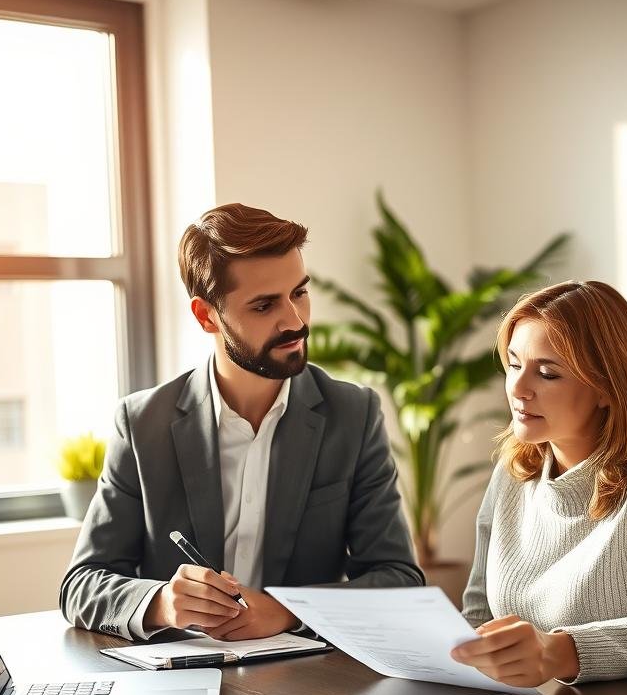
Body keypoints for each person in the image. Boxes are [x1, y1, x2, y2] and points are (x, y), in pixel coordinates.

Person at [60, 203, 422, 641]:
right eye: (265, 305)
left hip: (305, 682)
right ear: (206, 315)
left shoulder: (353, 414)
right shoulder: (142, 424)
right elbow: (81, 584)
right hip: (180, 681)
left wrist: (288, 611)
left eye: (300, 293)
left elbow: (399, 580)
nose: (295, 320)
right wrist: (160, 603)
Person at [452, 280, 627, 691]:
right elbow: (479, 613)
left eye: (548, 373)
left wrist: (556, 652)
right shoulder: (512, 471)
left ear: (607, 388)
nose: (518, 389)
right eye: (514, 363)